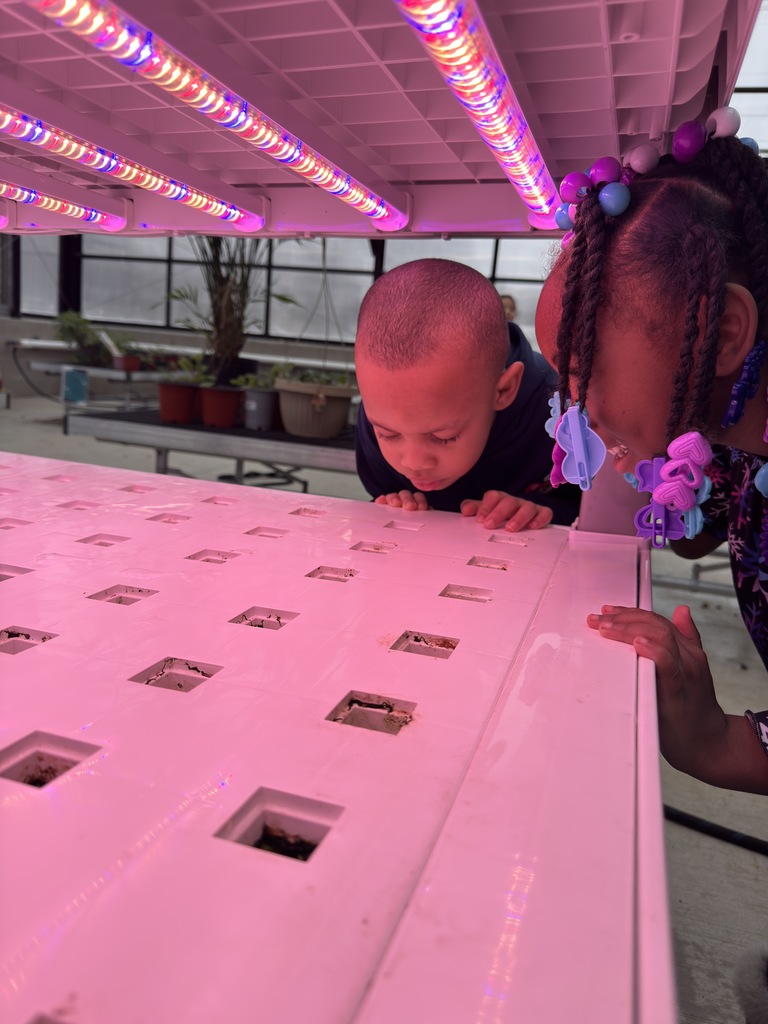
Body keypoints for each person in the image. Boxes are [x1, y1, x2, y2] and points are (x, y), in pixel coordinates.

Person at [535, 108, 768, 795]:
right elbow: (691, 537)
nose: (578, 403)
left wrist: (718, 741)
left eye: (587, 367)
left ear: (722, 331)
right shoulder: (733, 440)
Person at [354, 258, 581, 531]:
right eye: (388, 435)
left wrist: (544, 512)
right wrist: (394, 503)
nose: (412, 463)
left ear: (504, 390)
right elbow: (380, 493)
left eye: (443, 437)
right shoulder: (379, 410)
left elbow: (597, 515)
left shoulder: (563, 412)